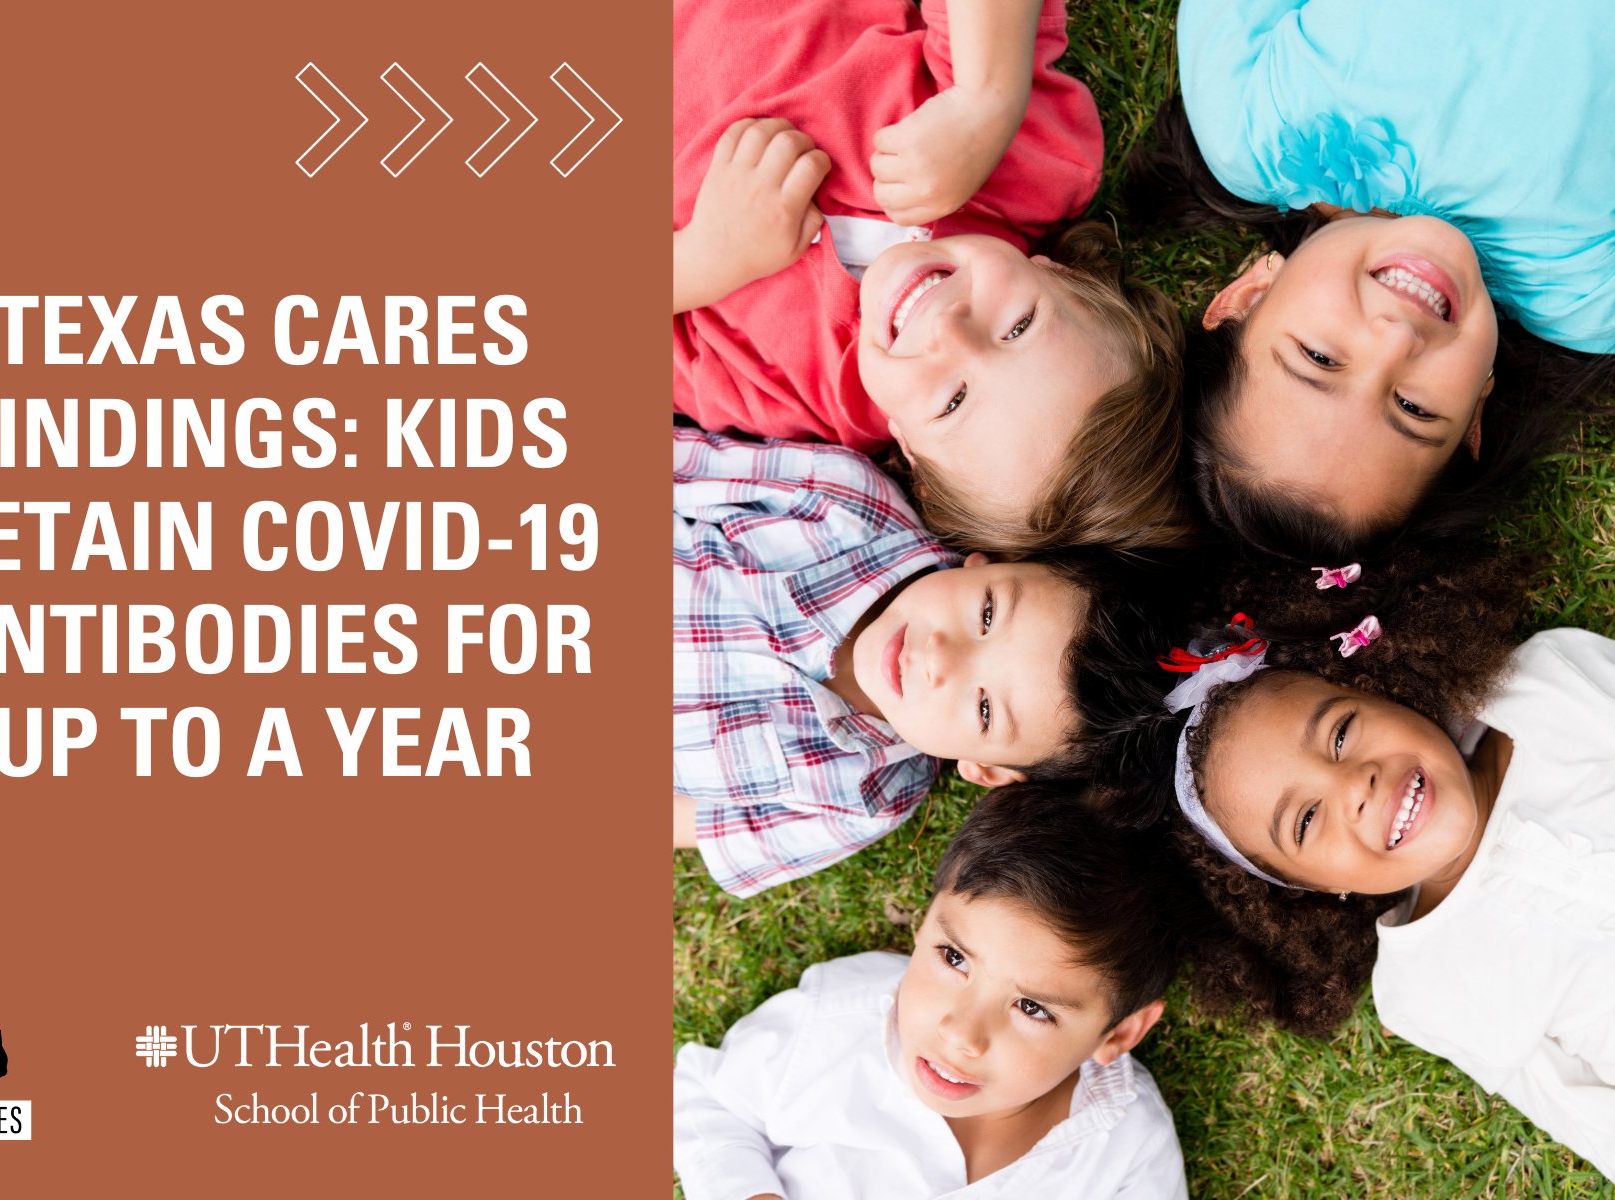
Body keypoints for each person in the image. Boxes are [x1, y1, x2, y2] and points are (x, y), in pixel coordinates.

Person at [1142, 559, 1614, 1176]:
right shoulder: (1421, 990)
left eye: (1340, 734)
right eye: (1305, 822)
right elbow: (1572, 1105)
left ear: (1380, 689)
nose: (1354, 786)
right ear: (1318, 890)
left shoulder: (1544, 686)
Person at [673, 0, 1190, 555]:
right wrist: (985, 100)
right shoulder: (1023, 173)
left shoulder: (801, 399)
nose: (950, 329)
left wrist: (705, 258)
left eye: (954, 401)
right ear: (1065, 276)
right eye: (1018, 327)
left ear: (910, 451)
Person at [1127, 0, 1613, 562]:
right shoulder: (1587, 298)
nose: (1397, 339)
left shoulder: (1251, 128)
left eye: (1321, 359)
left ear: (1247, 298)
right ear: (1474, 417)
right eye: (1414, 408)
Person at [672, 426, 1181, 896]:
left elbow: (698, 824)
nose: (940, 659)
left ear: (986, 769)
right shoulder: (843, 504)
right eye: (986, 613)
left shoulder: (865, 801)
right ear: (990, 560)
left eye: (984, 709)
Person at [674, 785, 1190, 1199]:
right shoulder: (837, 1023)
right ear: (924, 925)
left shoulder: (1127, 1149)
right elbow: (710, 1101)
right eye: (954, 958)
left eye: (1032, 1008)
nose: (960, 1032)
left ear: (1121, 1031)